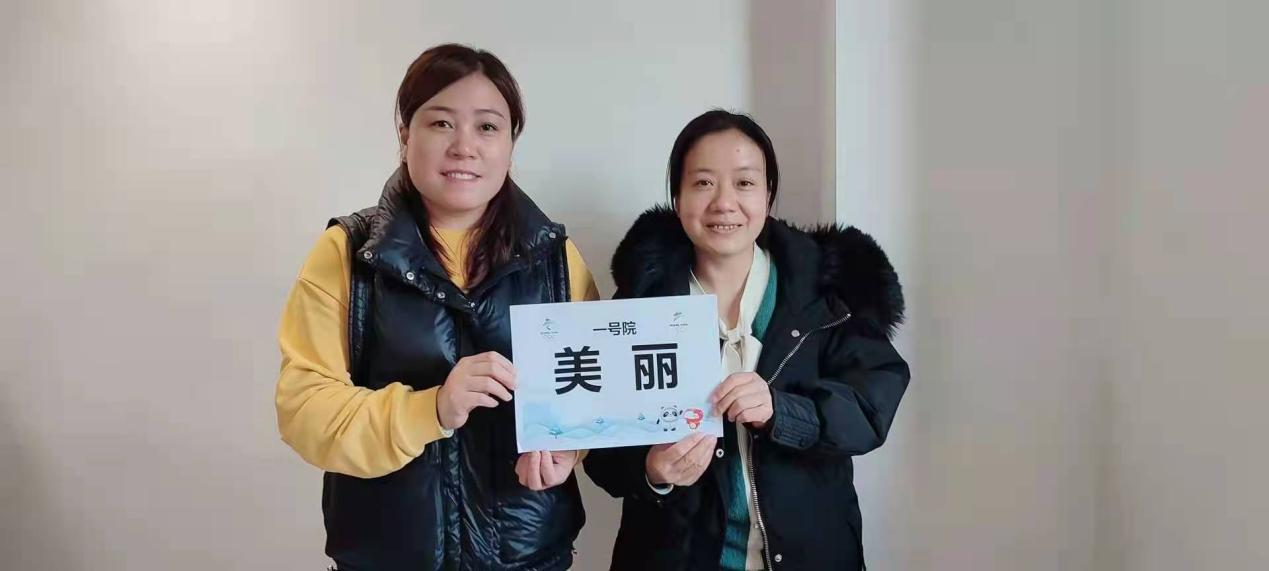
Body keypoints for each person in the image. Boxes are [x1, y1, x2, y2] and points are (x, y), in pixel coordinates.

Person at [275, 44, 599, 571]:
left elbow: (592, 394)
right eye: (441, 123)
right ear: (406, 134)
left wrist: (569, 451)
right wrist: (430, 410)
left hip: (530, 558)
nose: (464, 146)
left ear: (510, 144)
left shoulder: (555, 258)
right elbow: (304, 410)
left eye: (487, 127)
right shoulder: (349, 253)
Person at [584, 110, 910, 570]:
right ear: (677, 197)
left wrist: (783, 410)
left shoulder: (827, 290)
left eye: (744, 183)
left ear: (768, 194)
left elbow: (872, 406)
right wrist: (651, 471)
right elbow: (598, 447)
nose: (724, 203)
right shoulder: (640, 303)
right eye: (703, 183)